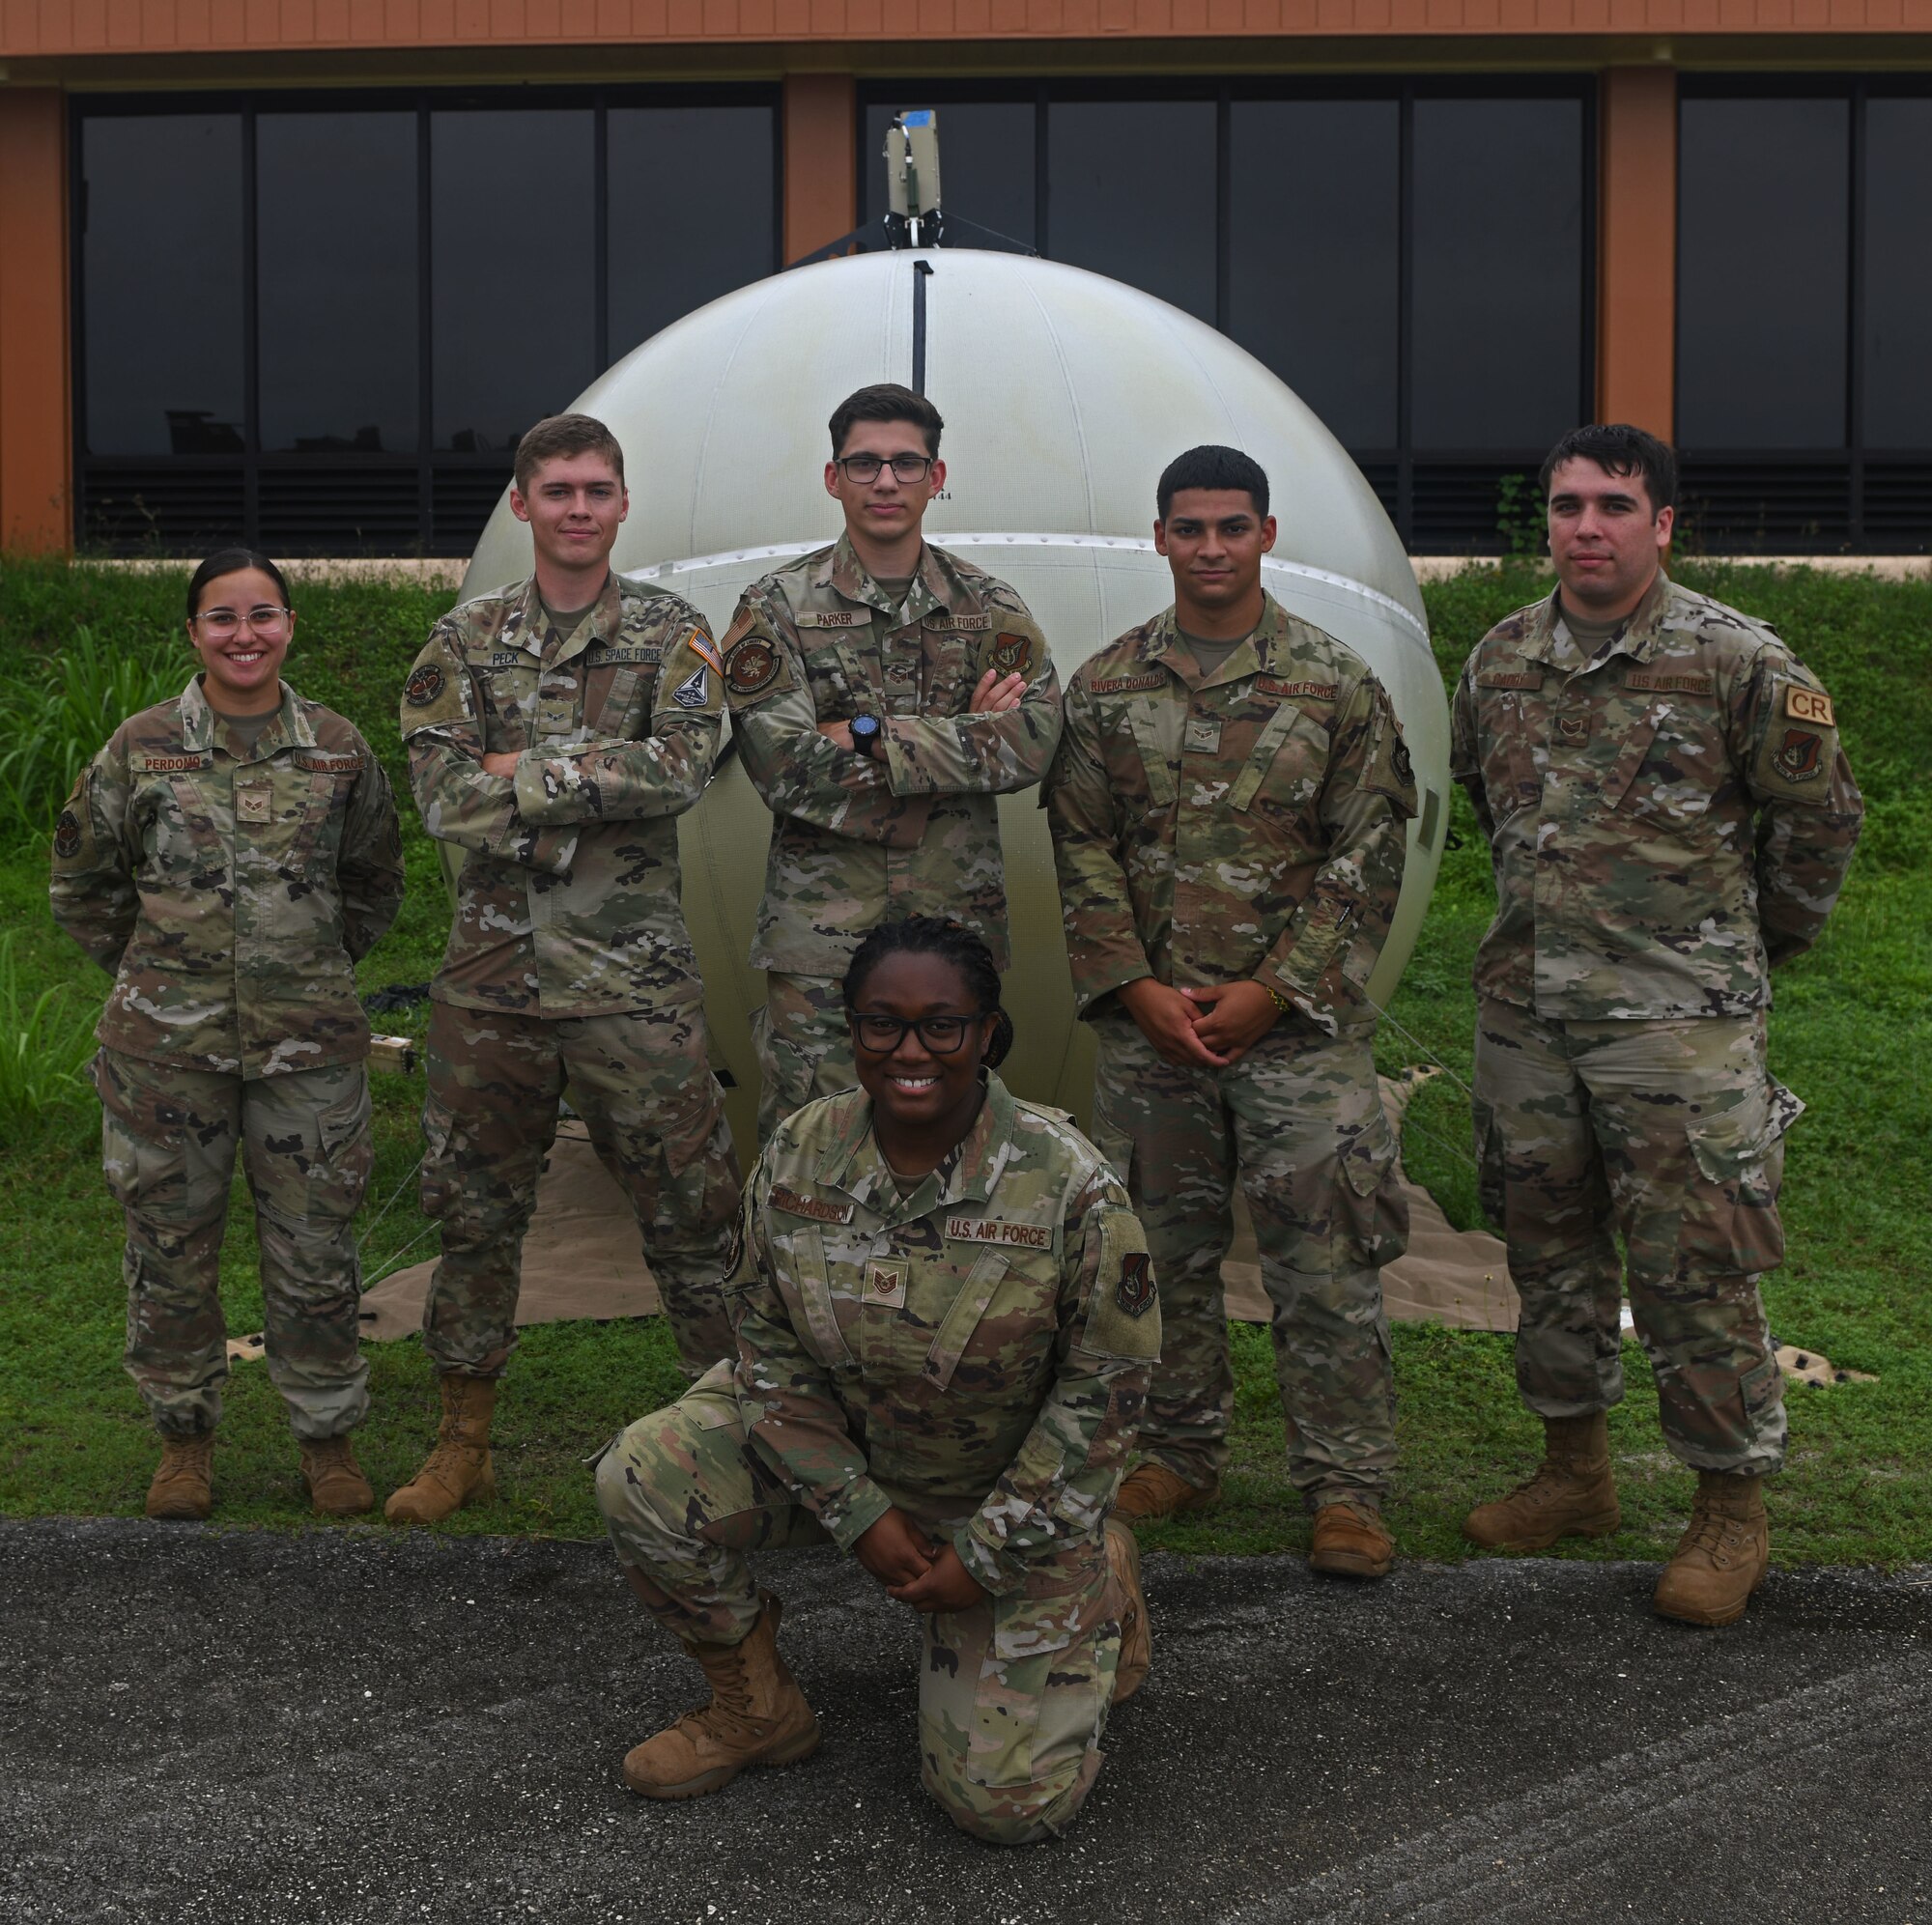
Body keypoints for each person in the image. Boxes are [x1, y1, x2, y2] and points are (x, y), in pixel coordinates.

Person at [594, 916, 1158, 1844]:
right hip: (847, 1466)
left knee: (1004, 1810)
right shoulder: (802, 1151)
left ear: (984, 1031)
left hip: (1004, 1499)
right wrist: (854, 1508)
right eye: (881, 1024)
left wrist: (986, 1555)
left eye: (943, 1025)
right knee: (644, 1475)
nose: (911, 1051)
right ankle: (757, 1709)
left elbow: (1106, 1394)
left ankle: (1103, 1573)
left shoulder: (1070, 1186)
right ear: (851, 1029)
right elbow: (762, 1337)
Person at [1451, 423, 1863, 1627]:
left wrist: (1738, 955)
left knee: (1696, 1271)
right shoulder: (1499, 657)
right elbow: (1487, 800)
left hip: (1676, 1030)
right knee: (1545, 1253)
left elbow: (1816, 828)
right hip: (1530, 1012)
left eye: (1614, 505)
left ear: (1661, 523)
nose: (1586, 526)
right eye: (1567, 504)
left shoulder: (1735, 661)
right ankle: (1573, 1472)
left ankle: (1727, 1507)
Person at [1044, 444, 1417, 1579]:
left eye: (1231, 527)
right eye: (1188, 528)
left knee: (1325, 1258)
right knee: (1156, 1255)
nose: (1210, 547)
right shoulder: (1104, 687)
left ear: (1266, 534)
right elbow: (1080, 844)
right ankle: (1177, 1448)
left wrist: (1273, 989)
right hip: (1152, 1029)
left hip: (1295, 1032)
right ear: (1158, 539)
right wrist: (1136, 988)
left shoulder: (1333, 684)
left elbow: (1366, 853)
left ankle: (1345, 1485)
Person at [389, 410, 740, 1525]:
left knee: (691, 1213)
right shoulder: (463, 641)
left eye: (597, 490)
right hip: (492, 982)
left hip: (632, 983)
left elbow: (685, 765)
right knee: (475, 1212)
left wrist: (524, 770)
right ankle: (462, 1444)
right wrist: (595, 773)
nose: (578, 509)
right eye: (558, 491)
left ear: (622, 505)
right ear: (521, 505)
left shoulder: (671, 632)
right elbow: (445, 796)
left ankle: (733, 1442)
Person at [49, 548, 404, 1520]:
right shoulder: (142, 744)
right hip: (166, 1053)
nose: (244, 634)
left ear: (290, 624)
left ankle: (326, 1436)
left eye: (262, 614)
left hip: (308, 1052)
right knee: (169, 1245)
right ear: (194, 630)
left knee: (315, 1246)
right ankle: (184, 1439)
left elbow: (373, 883)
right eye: (222, 617)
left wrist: (307, 966)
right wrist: (159, 973)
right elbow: (84, 886)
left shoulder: (337, 747)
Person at [717, 382, 1063, 1140]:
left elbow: (1036, 738)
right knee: (814, 1133)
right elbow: (782, 764)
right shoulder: (776, 606)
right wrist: (961, 736)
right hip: (821, 936)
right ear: (832, 477)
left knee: (954, 1120)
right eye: (864, 463)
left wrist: (868, 734)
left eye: (906, 464)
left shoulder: (987, 605)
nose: (885, 481)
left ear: (936, 478)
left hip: (955, 919)